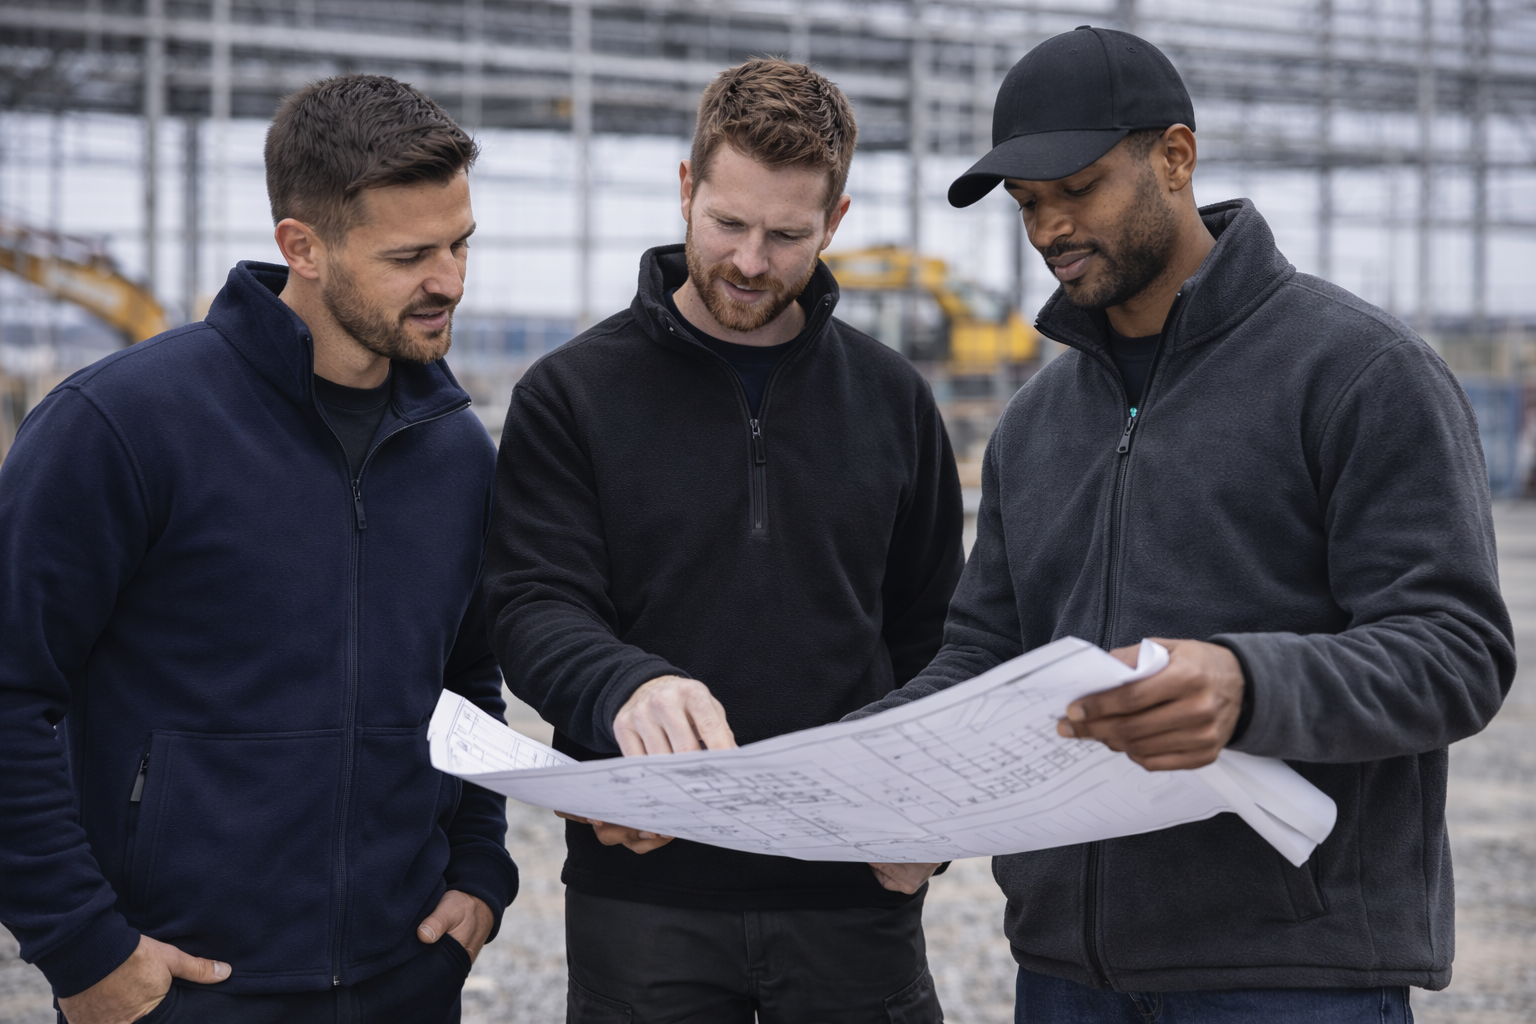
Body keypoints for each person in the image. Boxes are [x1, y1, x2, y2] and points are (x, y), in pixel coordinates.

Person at [850, 25, 1515, 1024]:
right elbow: (989, 646)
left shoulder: (1359, 375)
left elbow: (1456, 652)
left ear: (1174, 157)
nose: (1049, 228)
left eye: (1078, 189)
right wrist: (877, 756)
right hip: (1066, 974)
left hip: (1288, 976)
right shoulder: (1037, 421)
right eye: (1030, 205)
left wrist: (1248, 686)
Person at [0, 75, 517, 1024]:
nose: (449, 279)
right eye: (410, 255)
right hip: (185, 988)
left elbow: (467, 680)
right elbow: (11, 692)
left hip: (406, 980)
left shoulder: (453, 449)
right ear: (301, 247)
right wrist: (82, 948)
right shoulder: (118, 426)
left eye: (459, 243)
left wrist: (480, 870)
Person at [485, 58, 963, 1023]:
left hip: (850, 892)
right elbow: (531, 603)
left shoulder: (893, 401)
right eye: (728, 224)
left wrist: (932, 818)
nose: (751, 261)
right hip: (644, 893)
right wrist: (622, 686)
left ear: (833, 223)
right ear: (685, 187)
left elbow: (938, 635)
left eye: (788, 236)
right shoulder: (573, 393)